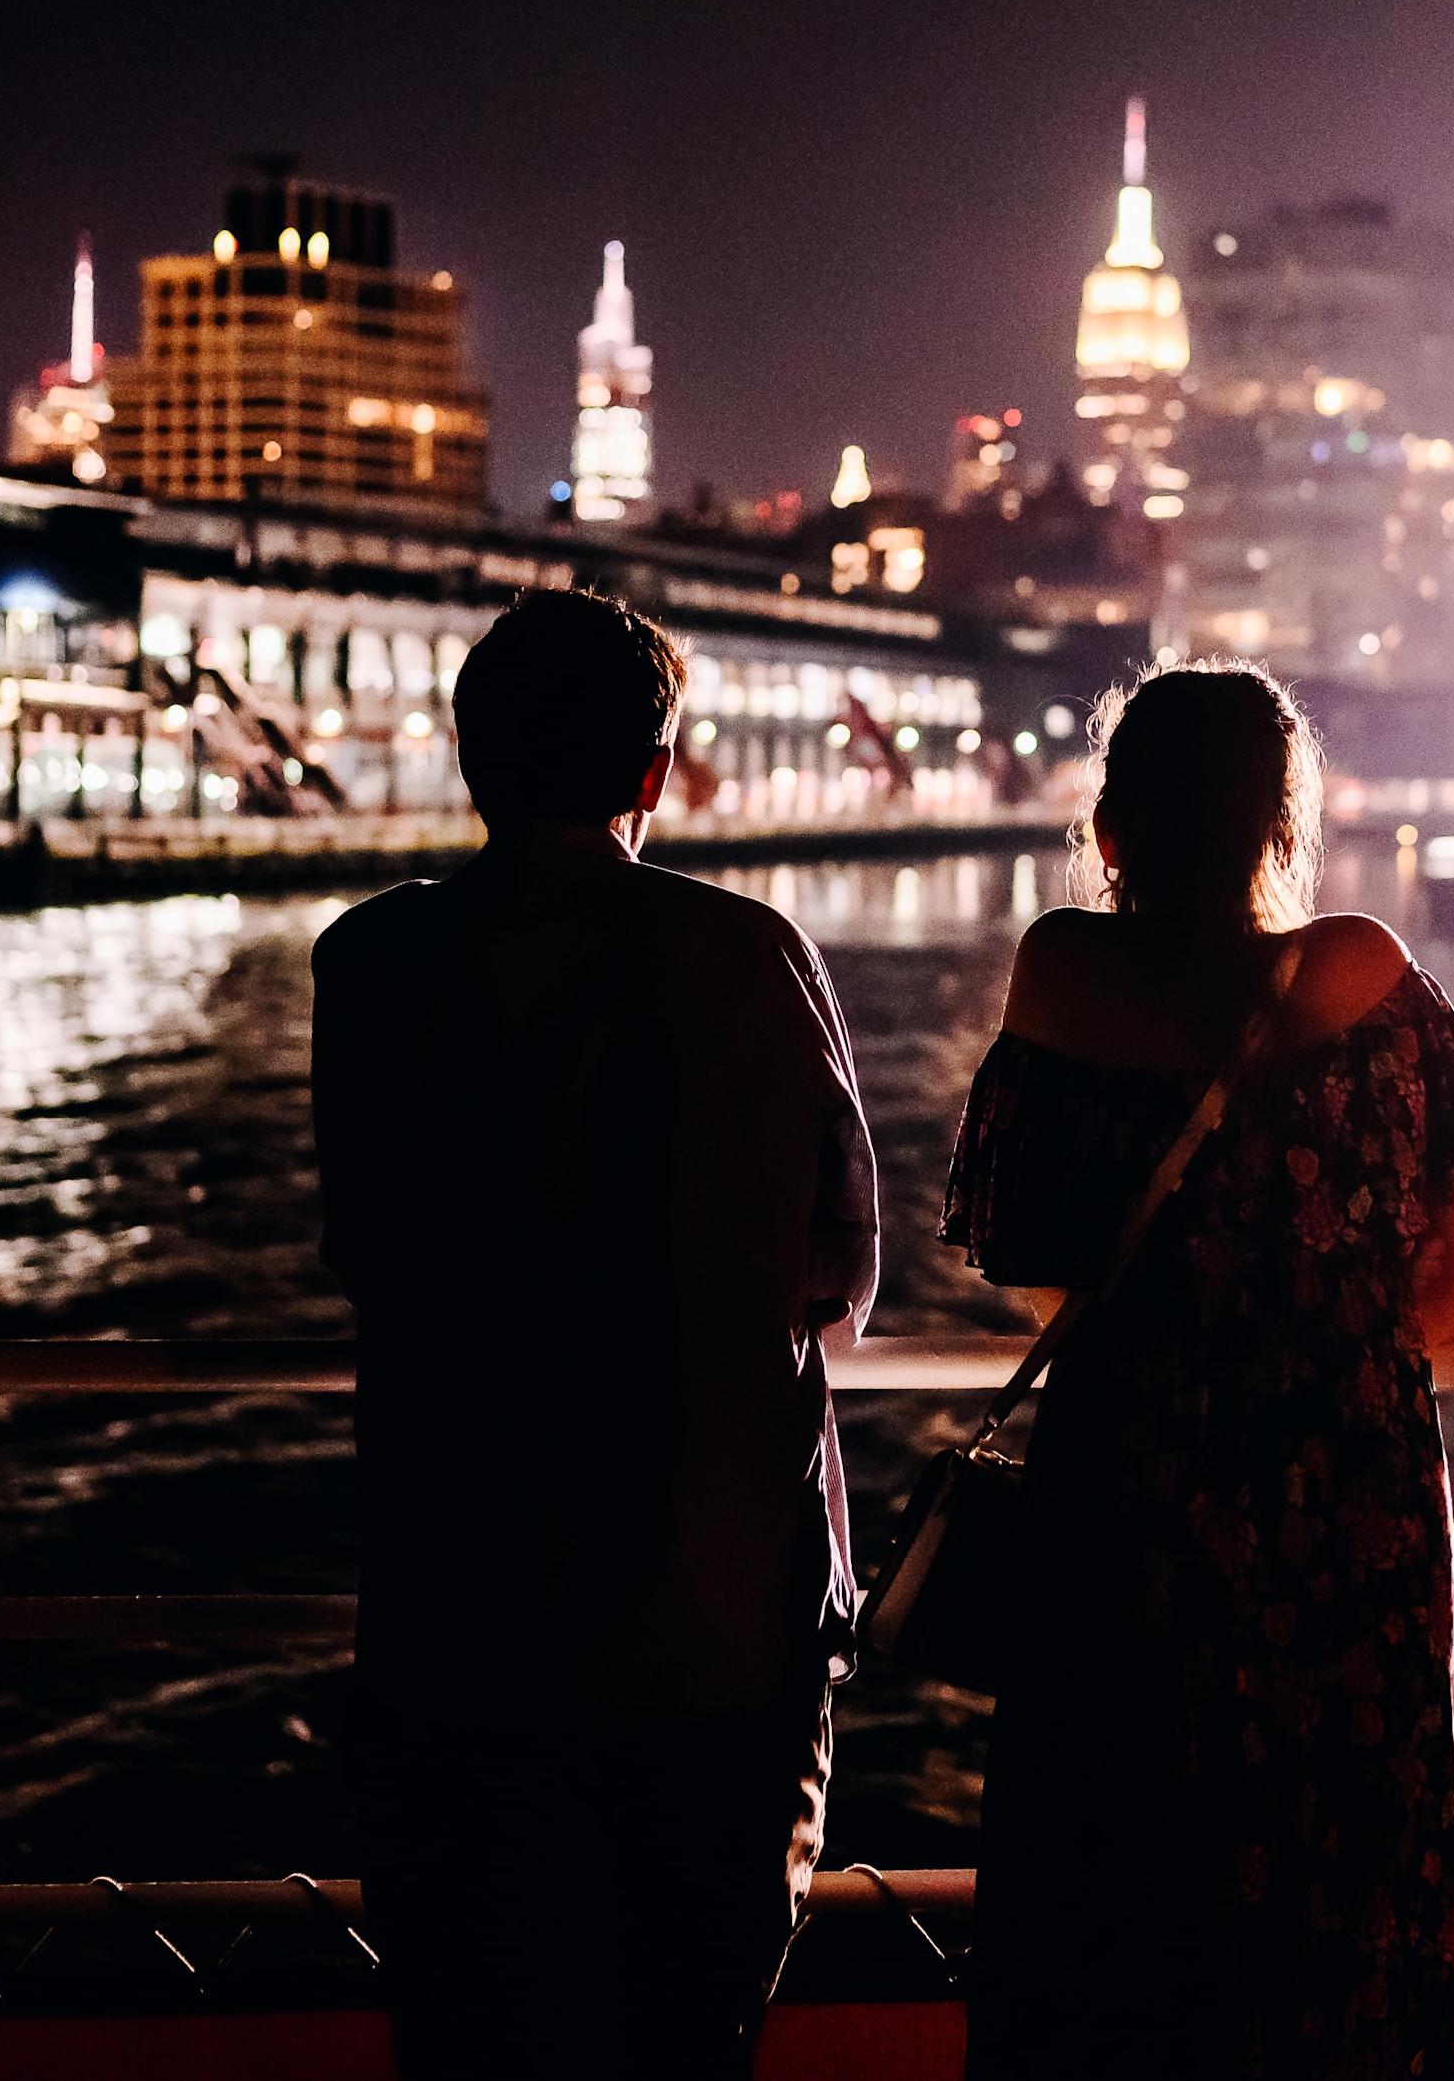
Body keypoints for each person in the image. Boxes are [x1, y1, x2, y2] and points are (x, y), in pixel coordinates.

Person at [312, 588, 883, 2078]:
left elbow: (366, 1246)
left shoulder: (368, 964)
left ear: (467, 759)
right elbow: (838, 1273)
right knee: (692, 2029)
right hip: (715, 1609)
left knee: (474, 2025)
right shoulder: (752, 957)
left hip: (460, 1603)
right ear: (653, 774)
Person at [943, 661, 1454, 2080]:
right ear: (1281, 824)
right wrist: (1314, 1335)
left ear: (1114, 827)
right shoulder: (1368, 972)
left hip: (1127, 1489)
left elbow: (1025, 1259)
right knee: (1341, 1855)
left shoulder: (1060, 975)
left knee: (1113, 1863)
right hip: (1348, 1497)